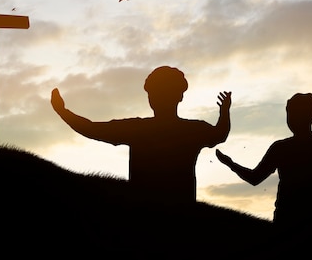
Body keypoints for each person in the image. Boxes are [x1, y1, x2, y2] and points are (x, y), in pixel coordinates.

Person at [51, 65, 232, 204]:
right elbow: (220, 134)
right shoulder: (193, 130)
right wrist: (224, 112)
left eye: (154, 94)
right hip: (177, 215)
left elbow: (91, 129)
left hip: (145, 216)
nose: (152, 98)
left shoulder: (138, 129)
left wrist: (63, 112)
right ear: (180, 96)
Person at [216, 92, 312, 244]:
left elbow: (254, 178)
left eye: (293, 114)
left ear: (311, 116)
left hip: (294, 226)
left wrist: (230, 164)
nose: (290, 119)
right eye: (289, 114)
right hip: (303, 225)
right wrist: (231, 164)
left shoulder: (283, 148)